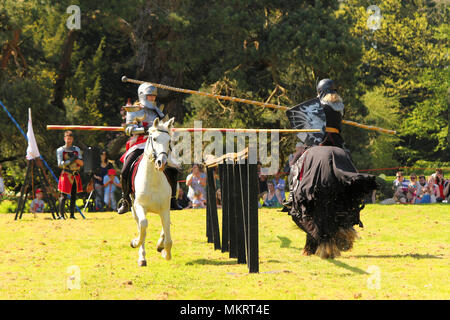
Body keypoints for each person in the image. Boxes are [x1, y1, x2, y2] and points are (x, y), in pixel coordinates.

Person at [117, 83, 182, 214]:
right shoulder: (135, 110)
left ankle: (172, 199)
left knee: (174, 167)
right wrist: (144, 129)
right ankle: (125, 200)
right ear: (142, 96)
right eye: (149, 96)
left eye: (153, 97)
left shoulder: (158, 111)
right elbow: (128, 129)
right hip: (139, 145)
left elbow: (165, 127)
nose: (152, 99)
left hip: (157, 145)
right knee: (125, 170)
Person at [56, 131, 83, 219]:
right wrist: (70, 160)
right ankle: (61, 215)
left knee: (73, 196)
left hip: (75, 175)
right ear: (65, 139)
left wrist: (75, 159)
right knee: (63, 196)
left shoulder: (76, 149)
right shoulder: (60, 150)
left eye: (70, 139)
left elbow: (81, 163)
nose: (69, 140)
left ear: (72, 139)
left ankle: (72, 215)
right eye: (67, 138)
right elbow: (60, 164)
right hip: (66, 174)